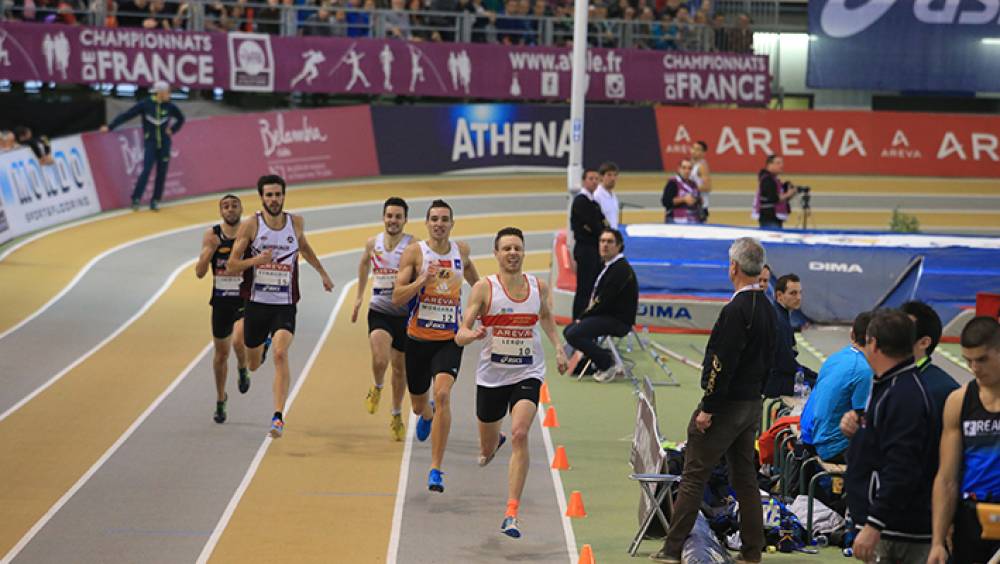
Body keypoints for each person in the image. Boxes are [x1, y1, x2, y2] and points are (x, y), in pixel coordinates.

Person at [650, 237, 775, 564]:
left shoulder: (735, 311)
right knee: (745, 480)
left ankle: (672, 549)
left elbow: (722, 363)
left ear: (733, 267)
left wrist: (708, 407)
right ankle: (752, 552)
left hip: (727, 405)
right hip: (752, 404)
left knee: (693, 476)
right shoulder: (768, 308)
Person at [455, 227, 568, 539]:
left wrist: (559, 348)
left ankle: (511, 513)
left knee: (520, 433)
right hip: (491, 377)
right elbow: (460, 334)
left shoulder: (537, 286)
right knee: (486, 448)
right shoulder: (484, 288)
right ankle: (494, 443)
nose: (512, 253)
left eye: (517, 248)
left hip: (527, 372)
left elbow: (546, 316)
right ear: (496, 254)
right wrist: (472, 334)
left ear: (523, 252)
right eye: (506, 248)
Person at [226, 175, 334, 438]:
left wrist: (322, 272)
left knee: (281, 354)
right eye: (269, 195)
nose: (274, 199)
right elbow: (232, 265)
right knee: (253, 364)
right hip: (256, 304)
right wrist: (256, 261)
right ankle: (257, 351)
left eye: (278, 194)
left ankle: (277, 417)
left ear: (284, 196)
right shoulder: (251, 225)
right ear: (262, 198)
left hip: (284, 305)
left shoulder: (296, 222)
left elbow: (304, 248)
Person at [392, 199, 480, 493]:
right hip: (418, 341)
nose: (439, 224)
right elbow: (397, 297)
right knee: (419, 405)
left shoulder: (461, 251)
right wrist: (421, 281)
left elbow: (477, 283)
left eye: (444, 219)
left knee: (443, 394)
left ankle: (435, 469)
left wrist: (485, 306)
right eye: (434, 219)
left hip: (448, 340)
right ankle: (426, 413)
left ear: (452, 224)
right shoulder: (415, 253)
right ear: (427, 223)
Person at [845, 309, 935, 563]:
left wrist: (875, 523)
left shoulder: (903, 394)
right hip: (888, 525)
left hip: (896, 531)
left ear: (873, 344)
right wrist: (860, 425)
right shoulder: (887, 385)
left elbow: (902, 466)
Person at [929, 317, 1000, 564]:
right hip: (970, 518)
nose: (974, 368)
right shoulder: (959, 401)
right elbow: (946, 478)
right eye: (968, 360)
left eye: (982, 359)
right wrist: (937, 541)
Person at [353, 197, 413, 442]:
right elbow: (363, 264)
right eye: (389, 216)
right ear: (383, 217)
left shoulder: (413, 246)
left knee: (400, 369)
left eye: (398, 216)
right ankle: (377, 387)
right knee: (380, 359)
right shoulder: (372, 243)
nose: (393, 220)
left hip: (405, 315)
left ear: (405, 220)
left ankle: (396, 413)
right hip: (379, 311)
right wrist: (359, 297)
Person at [195, 194, 251, 424]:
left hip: (244, 299)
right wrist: (210, 251)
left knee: (238, 340)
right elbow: (199, 272)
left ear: (241, 209)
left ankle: (242, 367)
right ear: (221, 212)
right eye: (226, 207)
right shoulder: (212, 235)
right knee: (221, 355)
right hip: (221, 302)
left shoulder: (250, 231)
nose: (230, 209)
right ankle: (221, 399)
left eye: (234, 205)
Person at [563, 229, 638, 382]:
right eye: (602, 241)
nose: (605, 245)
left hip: (618, 321)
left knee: (573, 334)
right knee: (568, 330)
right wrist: (583, 318)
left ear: (619, 246)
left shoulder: (621, 269)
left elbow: (604, 301)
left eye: (610, 242)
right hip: (606, 316)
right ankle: (597, 359)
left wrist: (583, 317)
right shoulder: (609, 266)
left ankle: (606, 362)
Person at [799, 311, 873, 463]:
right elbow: (862, 420)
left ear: (852, 334)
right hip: (832, 447)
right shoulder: (864, 370)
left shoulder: (836, 357)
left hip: (809, 436)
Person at [101, 81, 185, 211]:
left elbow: (181, 118)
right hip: (150, 143)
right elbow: (127, 115)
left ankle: (155, 200)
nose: (169, 95)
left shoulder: (170, 106)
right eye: (168, 92)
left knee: (162, 172)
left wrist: (173, 129)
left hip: (164, 143)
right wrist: (110, 126)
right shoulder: (146, 104)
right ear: (160, 92)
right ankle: (136, 198)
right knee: (146, 169)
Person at [764, 273, 817, 397]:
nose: (798, 297)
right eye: (793, 293)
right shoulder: (780, 322)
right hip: (774, 383)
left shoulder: (781, 316)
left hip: (775, 376)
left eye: (800, 293)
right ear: (779, 295)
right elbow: (786, 364)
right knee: (819, 386)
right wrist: (813, 375)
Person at [569, 167, 607, 321]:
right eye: (591, 178)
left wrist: (599, 228)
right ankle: (578, 320)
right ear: (584, 181)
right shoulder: (581, 201)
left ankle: (589, 319)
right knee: (584, 288)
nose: (594, 181)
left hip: (594, 250)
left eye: (597, 179)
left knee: (593, 288)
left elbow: (602, 223)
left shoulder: (594, 202)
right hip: (585, 250)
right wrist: (598, 229)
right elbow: (595, 225)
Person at [753, 154, 797, 229]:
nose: (781, 165)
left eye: (782, 163)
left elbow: (777, 198)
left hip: (772, 217)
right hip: (770, 218)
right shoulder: (768, 180)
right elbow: (773, 198)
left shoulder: (773, 180)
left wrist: (788, 194)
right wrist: (788, 194)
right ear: (770, 165)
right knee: (772, 235)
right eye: (778, 163)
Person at [660, 158, 704, 224]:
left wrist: (698, 200)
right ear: (679, 169)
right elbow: (665, 201)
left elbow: (698, 200)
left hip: (693, 220)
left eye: (689, 168)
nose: (687, 171)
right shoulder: (673, 182)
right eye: (684, 168)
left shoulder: (693, 184)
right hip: (676, 220)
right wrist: (683, 199)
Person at [593, 161, 621, 229]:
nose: (613, 178)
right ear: (601, 177)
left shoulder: (613, 196)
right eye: (609, 175)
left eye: (615, 175)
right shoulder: (596, 196)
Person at [691, 140, 712, 219]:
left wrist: (689, 189)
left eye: (697, 149)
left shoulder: (702, 167)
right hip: (692, 204)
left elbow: (707, 187)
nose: (694, 151)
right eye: (693, 148)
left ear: (703, 153)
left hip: (700, 207)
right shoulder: (691, 164)